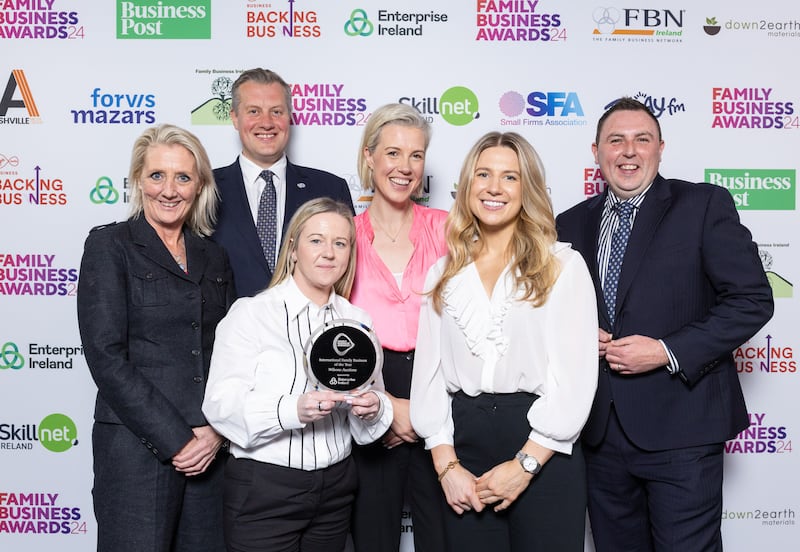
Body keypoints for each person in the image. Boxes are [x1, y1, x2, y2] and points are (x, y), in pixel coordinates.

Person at [556, 97, 774, 552]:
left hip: (683, 431)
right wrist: (574, 335)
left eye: (642, 140)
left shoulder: (702, 204)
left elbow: (752, 300)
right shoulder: (569, 224)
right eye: (616, 140)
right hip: (600, 433)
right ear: (596, 152)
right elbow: (550, 314)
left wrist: (665, 351)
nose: (629, 151)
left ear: (661, 149)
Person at [410, 131, 598, 552]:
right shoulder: (443, 272)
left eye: (510, 177)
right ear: (467, 186)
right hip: (464, 448)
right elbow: (428, 379)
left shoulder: (563, 266)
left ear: (528, 188)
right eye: (483, 174)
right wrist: (446, 466)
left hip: (543, 448)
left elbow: (574, 384)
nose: (494, 187)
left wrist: (525, 464)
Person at [202, 197, 394, 552]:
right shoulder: (252, 314)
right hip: (265, 490)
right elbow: (220, 406)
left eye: (340, 243)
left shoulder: (358, 321)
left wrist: (374, 409)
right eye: (316, 240)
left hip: (336, 489)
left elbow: (370, 420)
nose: (329, 253)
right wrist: (294, 410)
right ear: (293, 249)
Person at [77, 124, 235, 552]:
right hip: (135, 452)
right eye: (157, 176)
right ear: (137, 181)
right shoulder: (110, 246)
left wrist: (216, 433)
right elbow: (106, 357)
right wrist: (178, 439)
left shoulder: (213, 255)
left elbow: (232, 355)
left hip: (210, 454)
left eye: (183, 177)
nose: (169, 190)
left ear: (199, 184)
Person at [348, 103, 449, 552]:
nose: (404, 167)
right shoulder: (343, 236)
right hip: (367, 393)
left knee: (445, 538)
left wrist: (426, 411)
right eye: (392, 153)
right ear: (369, 157)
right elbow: (324, 333)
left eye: (415, 155)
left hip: (439, 388)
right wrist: (383, 406)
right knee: (373, 539)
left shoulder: (449, 229)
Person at [212, 67, 354, 298]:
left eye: (276, 111)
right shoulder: (206, 189)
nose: (266, 123)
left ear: (289, 117)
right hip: (228, 329)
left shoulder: (329, 189)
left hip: (310, 330)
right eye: (254, 111)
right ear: (235, 118)